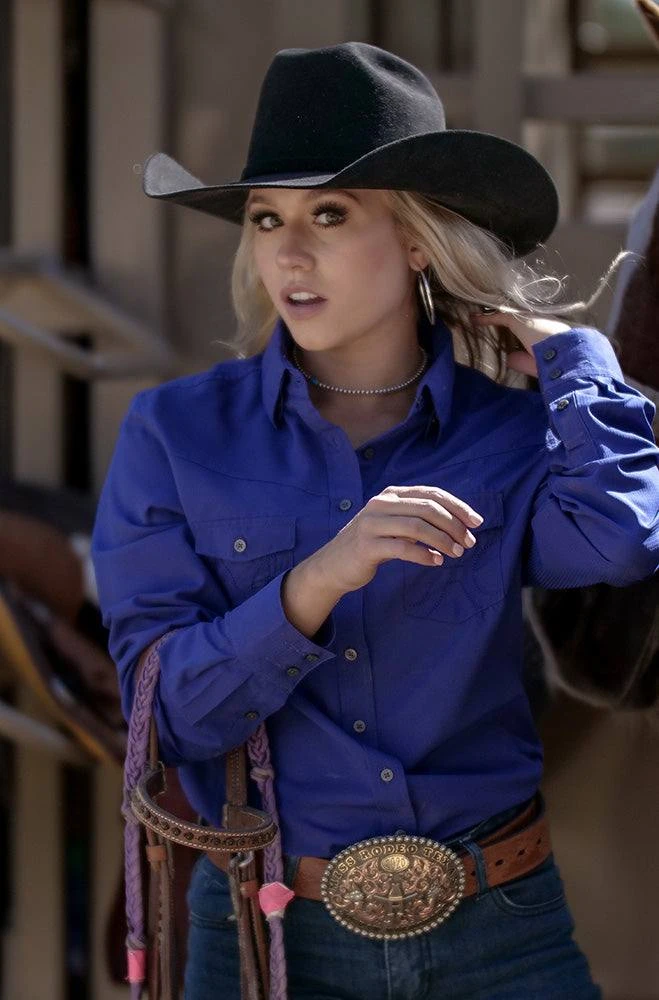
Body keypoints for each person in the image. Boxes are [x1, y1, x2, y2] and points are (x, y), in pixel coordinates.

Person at [91, 41, 659, 1000]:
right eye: (266, 219)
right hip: (265, 938)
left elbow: (623, 539)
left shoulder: (507, 433)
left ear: (417, 239)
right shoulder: (177, 434)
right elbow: (172, 720)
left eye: (329, 214)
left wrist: (573, 359)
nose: (288, 252)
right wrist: (317, 580)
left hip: (502, 933)